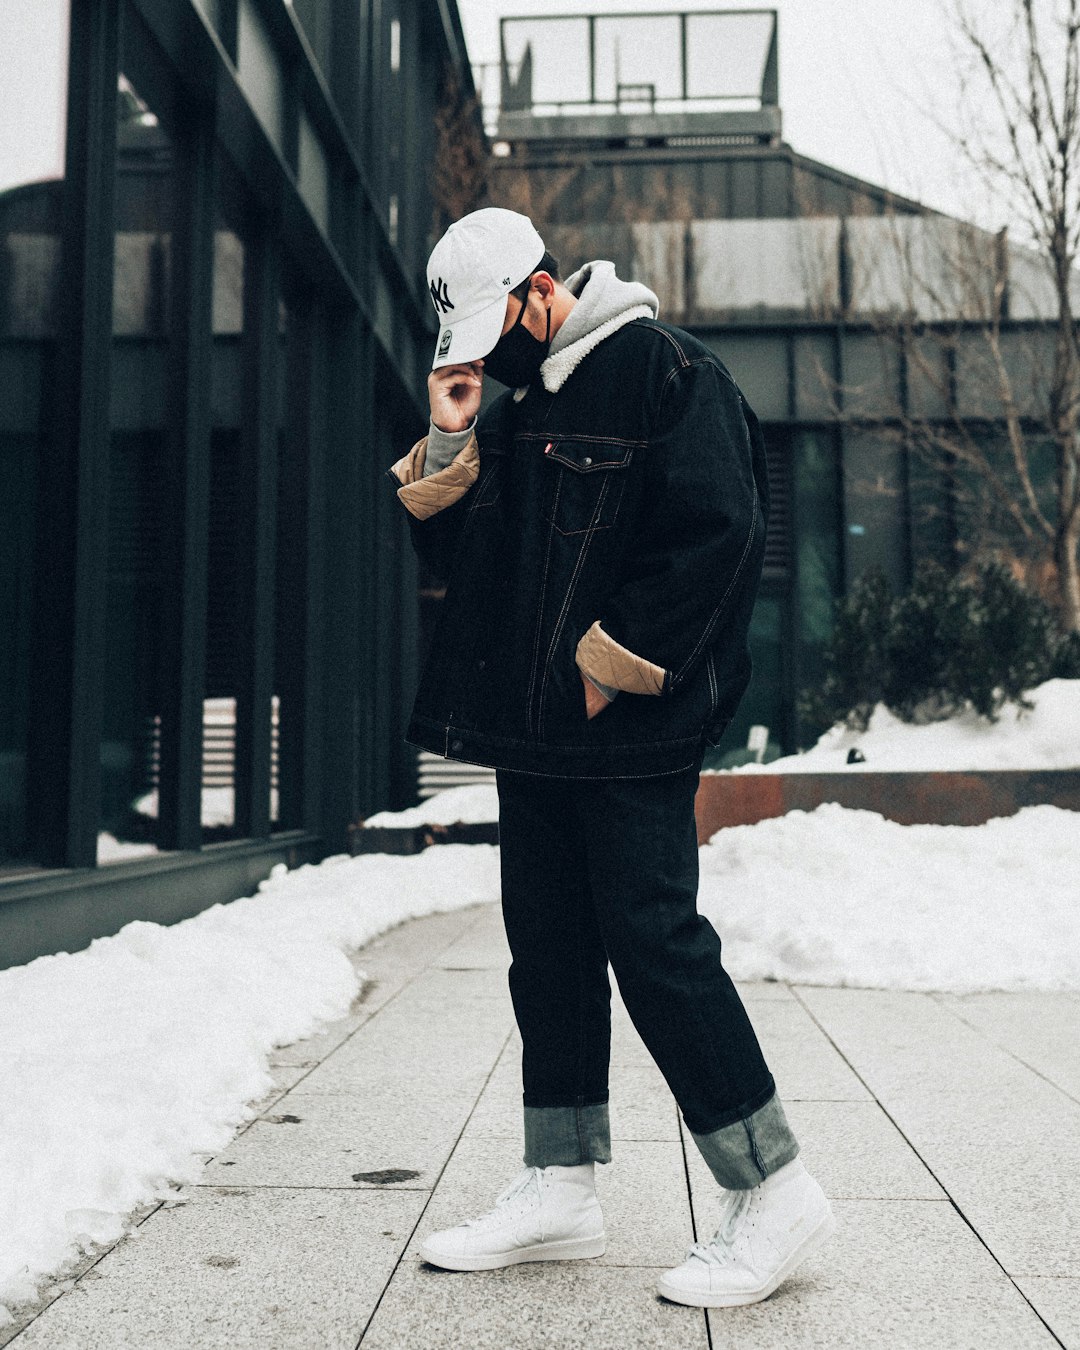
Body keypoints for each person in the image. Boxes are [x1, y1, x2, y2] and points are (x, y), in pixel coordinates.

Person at [387, 207, 835, 1308]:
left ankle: (773, 1188)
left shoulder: (668, 375)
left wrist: (613, 663)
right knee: (545, 947)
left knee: (656, 946)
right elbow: (464, 561)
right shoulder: (525, 400)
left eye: (497, 339)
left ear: (544, 295)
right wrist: (451, 433)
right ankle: (560, 1179)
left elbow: (721, 537)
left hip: (625, 727)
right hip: (531, 732)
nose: (489, 362)